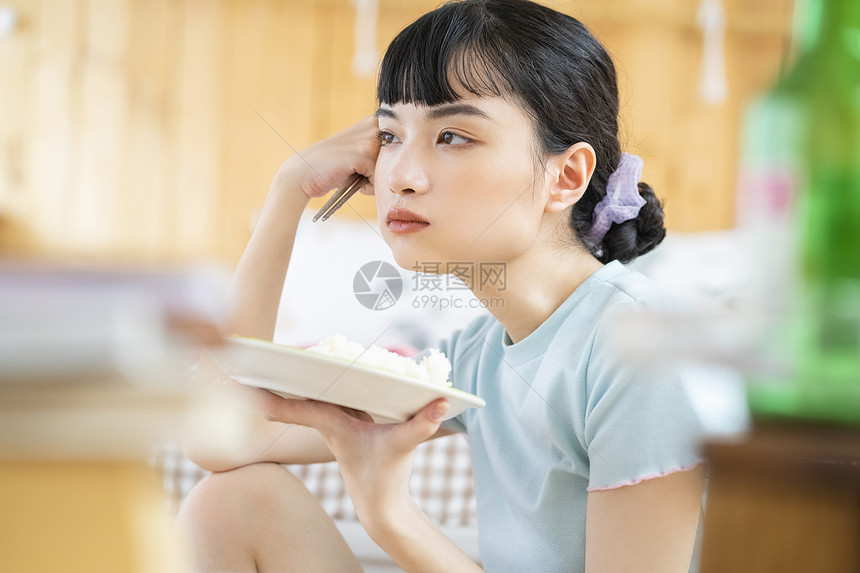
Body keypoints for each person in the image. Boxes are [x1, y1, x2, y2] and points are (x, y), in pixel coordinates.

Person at [177, 0, 708, 571]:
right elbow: (223, 438)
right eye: (389, 136)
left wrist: (389, 514)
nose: (401, 176)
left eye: (453, 136)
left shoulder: (644, 347)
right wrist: (289, 192)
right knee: (233, 503)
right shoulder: (476, 354)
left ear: (566, 176)